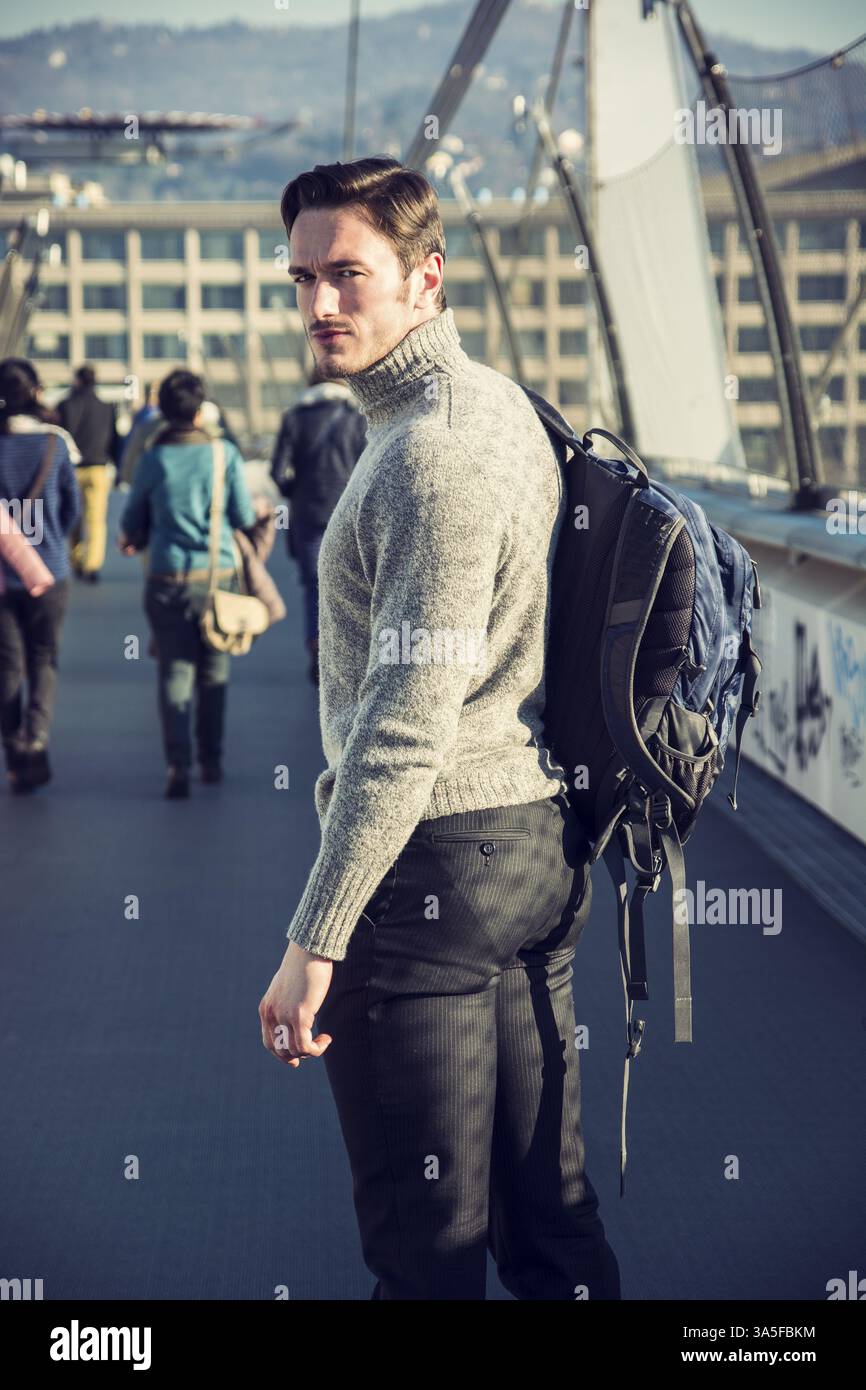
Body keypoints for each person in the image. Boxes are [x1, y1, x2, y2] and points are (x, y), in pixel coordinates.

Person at [258, 157, 621, 1301]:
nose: (319, 305)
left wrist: (314, 942)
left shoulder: (429, 452)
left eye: (347, 275)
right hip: (529, 852)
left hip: (431, 880)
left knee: (427, 1253)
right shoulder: (496, 404)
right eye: (302, 277)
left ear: (426, 278)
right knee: (549, 1228)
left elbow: (403, 728)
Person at [117, 369, 257, 799]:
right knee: (215, 671)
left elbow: (131, 522)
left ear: (161, 411)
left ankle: (179, 765)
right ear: (199, 411)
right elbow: (243, 516)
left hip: (166, 579)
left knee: (174, 672)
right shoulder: (223, 455)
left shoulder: (154, 459)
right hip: (218, 579)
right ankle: (211, 760)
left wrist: (139, 536)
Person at [0, 357, 81, 793]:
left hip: (1, 580)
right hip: (49, 571)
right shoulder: (53, 444)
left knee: (7, 665)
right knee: (43, 659)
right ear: (34, 392)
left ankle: (13, 752)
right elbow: (72, 510)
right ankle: (36, 738)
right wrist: (48, 540)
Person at [270, 362, 366, 685]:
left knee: (315, 585)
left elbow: (277, 471)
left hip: (308, 515)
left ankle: (317, 648)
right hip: (349, 513)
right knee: (352, 584)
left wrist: (295, 493)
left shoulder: (294, 417)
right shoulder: (358, 416)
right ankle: (348, 654)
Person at [56, 363, 122, 582]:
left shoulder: (65, 405)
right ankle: (92, 565)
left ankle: (76, 560)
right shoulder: (106, 407)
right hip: (98, 469)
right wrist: (119, 469)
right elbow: (114, 440)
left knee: (73, 516)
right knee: (96, 519)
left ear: (77, 380)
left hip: (70, 469)